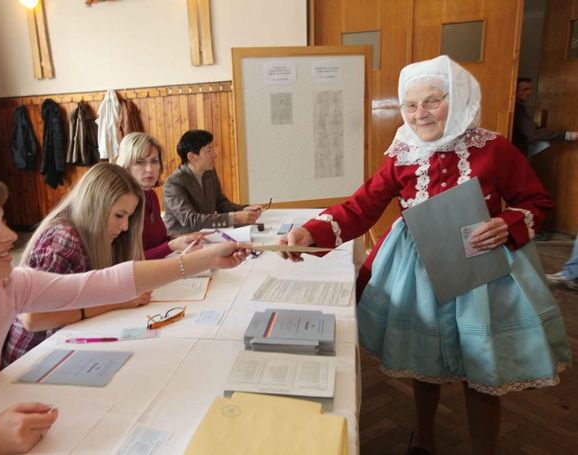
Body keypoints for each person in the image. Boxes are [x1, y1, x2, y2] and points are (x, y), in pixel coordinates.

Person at [280, 56, 570, 455]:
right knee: (424, 361)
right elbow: (360, 208)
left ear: (458, 98)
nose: (420, 114)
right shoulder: (400, 155)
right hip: (419, 272)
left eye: (432, 101)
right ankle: (425, 440)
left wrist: (508, 222)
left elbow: (536, 200)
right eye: (410, 105)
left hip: (482, 274)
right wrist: (307, 233)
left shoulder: (493, 149)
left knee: (481, 366)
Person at [0, 173, 245, 453]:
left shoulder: (6, 286)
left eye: (2, 221)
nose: (9, 236)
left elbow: (105, 282)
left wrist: (203, 259)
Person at [3, 163, 152, 366]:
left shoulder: (100, 238)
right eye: (119, 215)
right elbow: (33, 318)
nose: (125, 226)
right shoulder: (63, 237)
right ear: (95, 205)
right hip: (31, 357)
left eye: (129, 217)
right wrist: (118, 301)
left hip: (67, 343)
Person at [115, 132, 204, 259]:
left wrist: (182, 238)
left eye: (154, 161)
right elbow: (128, 260)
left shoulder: (151, 195)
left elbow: (158, 241)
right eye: (140, 162)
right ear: (126, 165)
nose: (150, 169)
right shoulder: (122, 203)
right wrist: (171, 245)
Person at [162, 129, 263, 235]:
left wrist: (243, 208)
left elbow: (221, 203)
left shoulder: (209, 173)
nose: (214, 155)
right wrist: (234, 218)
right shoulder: (173, 183)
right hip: (182, 240)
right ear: (192, 157)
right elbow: (190, 221)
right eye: (209, 151)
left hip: (207, 234)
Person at [512, 77, 578, 156]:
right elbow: (533, 134)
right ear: (514, 90)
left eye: (530, 89)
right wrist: (567, 135)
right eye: (525, 89)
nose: (529, 92)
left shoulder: (519, 108)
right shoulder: (517, 109)